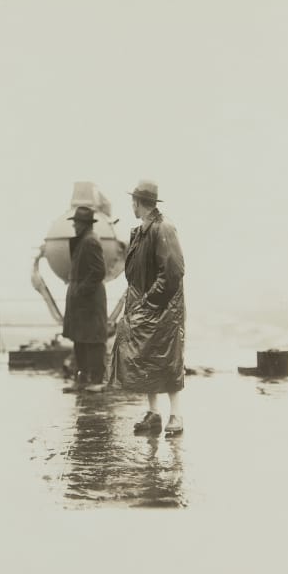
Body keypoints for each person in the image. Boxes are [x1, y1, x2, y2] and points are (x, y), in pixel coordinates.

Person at [107, 180, 186, 436]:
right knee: (145, 358)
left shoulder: (163, 228)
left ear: (137, 203)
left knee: (168, 359)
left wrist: (149, 301)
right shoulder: (142, 231)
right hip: (145, 304)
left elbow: (173, 272)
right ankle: (153, 413)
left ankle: (176, 415)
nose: (131, 206)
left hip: (163, 308)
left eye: (133, 201)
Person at [61, 205, 108, 390]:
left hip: (89, 301)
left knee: (93, 340)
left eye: (77, 222)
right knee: (80, 339)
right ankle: (82, 379)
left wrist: (81, 290)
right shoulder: (84, 240)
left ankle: (96, 381)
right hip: (82, 301)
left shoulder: (90, 241)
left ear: (85, 224)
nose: (74, 226)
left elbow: (99, 271)